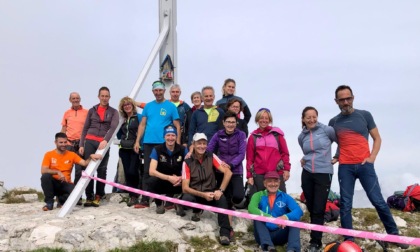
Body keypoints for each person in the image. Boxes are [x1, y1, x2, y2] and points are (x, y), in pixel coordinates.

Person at [328, 85, 408, 249]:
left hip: (365, 166)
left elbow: (377, 138)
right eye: (342, 99)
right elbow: (337, 141)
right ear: (336, 101)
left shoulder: (365, 115)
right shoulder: (333, 122)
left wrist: (372, 157)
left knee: (378, 201)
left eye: (348, 98)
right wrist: (335, 156)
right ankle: (349, 241)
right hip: (346, 167)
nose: (345, 102)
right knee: (345, 204)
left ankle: (394, 235)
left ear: (353, 98)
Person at [134, 80, 181, 208]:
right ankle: (145, 199)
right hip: (148, 142)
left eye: (160, 90)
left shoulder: (171, 106)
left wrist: (178, 143)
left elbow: (177, 125)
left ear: (164, 91)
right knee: (147, 171)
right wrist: (137, 141)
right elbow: (142, 124)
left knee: (168, 170)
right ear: (153, 91)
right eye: (156, 90)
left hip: (165, 143)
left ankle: (169, 199)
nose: (158, 92)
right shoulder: (148, 106)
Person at [181, 133, 233, 246]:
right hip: (196, 194)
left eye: (204, 143)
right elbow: (185, 188)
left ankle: (225, 233)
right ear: (193, 145)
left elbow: (228, 172)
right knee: (186, 199)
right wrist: (202, 195)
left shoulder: (211, 156)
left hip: (210, 192)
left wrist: (220, 190)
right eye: (199, 143)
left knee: (222, 200)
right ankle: (195, 210)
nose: (202, 146)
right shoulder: (187, 162)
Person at [298, 106, 336, 252]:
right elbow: (307, 152)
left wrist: (337, 156)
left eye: (314, 116)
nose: (312, 119)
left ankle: (315, 242)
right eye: (308, 117)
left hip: (323, 172)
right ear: (303, 119)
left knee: (319, 208)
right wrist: (304, 159)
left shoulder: (327, 130)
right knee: (312, 206)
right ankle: (316, 231)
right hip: (307, 172)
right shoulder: (301, 136)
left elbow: (340, 142)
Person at [79, 86, 119, 207]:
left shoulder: (113, 112)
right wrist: (81, 144)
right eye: (102, 96)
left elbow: (113, 127)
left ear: (109, 97)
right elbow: (85, 128)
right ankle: (89, 197)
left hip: (103, 143)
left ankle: (98, 196)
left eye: (107, 96)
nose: (104, 98)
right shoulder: (92, 110)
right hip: (90, 141)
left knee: (102, 169)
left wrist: (106, 140)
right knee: (88, 169)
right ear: (99, 97)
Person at [41, 133, 102, 211]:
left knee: (75, 191)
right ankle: (49, 203)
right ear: (55, 143)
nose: (63, 144)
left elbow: (84, 163)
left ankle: (61, 201)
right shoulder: (49, 154)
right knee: (45, 176)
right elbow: (43, 170)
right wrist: (58, 172)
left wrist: (90, 157)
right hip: (53, 183)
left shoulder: (71, 154)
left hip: (65, 183)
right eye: (61, 142)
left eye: (65, 142)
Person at [248, 171, 302, 252]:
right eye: (270, 181)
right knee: (258, 217)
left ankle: (292, 249)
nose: (273, 184)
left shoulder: (285, 197)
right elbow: (251, 208)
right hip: (262, 235)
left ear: (279, 183)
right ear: (264, 184)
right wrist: (270, 218)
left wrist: (285, 217)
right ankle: (268, 247)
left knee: (295, 219)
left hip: (280, 233)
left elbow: (298, 211)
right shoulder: (258, 195)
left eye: (275, 181)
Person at [207, 111, 246, 215]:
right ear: (224, 123)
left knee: (238, 196)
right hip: (221, 169)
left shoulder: (241, 135)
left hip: (236, 169)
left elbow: (242, 154)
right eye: (228, 122)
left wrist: (231, 164)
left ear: (236, 123)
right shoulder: (218, 135)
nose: (230, 124)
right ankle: (226, 211)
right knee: (224, 195)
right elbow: (209, 150)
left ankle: (232, 204)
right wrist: (219, 163)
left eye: (233, 122)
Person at [246, 108, 291, 194]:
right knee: (261, 201)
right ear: (257, 119)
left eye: (266, 118)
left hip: (277, 173)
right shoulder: (253, 137)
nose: (264, 120)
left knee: (280, 200)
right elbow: (249, 158)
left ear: (269, 120)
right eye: (261, 118)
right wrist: (249, 176)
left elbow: (285, 153)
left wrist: (286, 169)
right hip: (259, 175)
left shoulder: (277, 134)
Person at [148, 125, 188, 214]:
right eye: (168, 135)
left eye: (173, 135)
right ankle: (159, 203)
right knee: (151, 180)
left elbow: (190, 168)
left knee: (191, 181)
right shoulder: (157, 149)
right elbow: (151, 171)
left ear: (176, 136)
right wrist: (169, 178)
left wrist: (181, 178)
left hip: (178, 181)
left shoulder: (183, 149)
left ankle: (179, 203)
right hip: (163, 180)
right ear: (164, 136)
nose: (170, 138)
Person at [60, 92, 88, 205]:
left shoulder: (86, 112)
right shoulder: (67, 113)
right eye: (73, 98)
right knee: (65, 171)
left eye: (77, 98)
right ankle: (63, 197)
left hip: (80, 145)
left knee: (79, 172)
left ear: (80, 99)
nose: (75, 100)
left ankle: (77, 197)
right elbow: (63, 128)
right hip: (69, 144)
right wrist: (60, 143)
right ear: (70, 100)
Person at [116, 96, 142, 207]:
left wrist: (138, 142)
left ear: (132, 105)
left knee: (133, 171)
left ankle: (137, 191)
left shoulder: (139, 117)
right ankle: (132, 196)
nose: (127, 106)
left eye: (129, 104)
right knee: (127, 173)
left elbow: (143, 129)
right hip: (124, 149)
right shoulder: (122, 120)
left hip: (135, 148)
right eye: (124, 105)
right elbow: (117, 133)